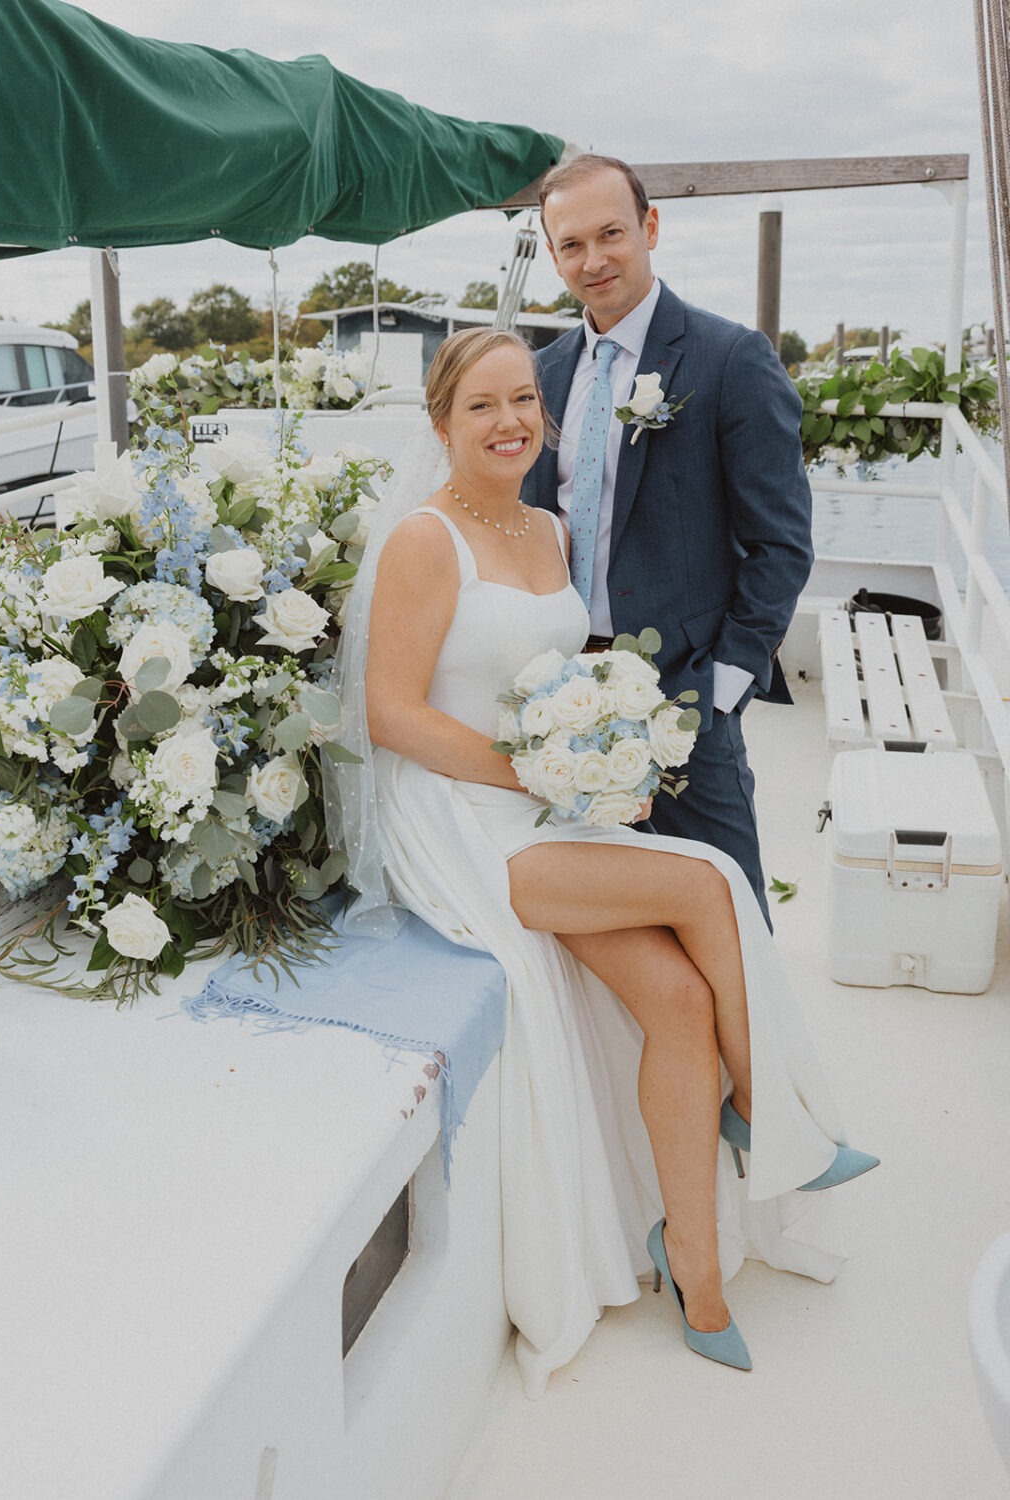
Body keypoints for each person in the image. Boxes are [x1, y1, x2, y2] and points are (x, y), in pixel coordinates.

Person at [332, 326, 876, 1399]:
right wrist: (535, 777)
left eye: (524, 399)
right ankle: (769, 1111)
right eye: (481, 405)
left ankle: (697, 1267)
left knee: (675, 996)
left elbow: (557, 666)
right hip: (458, 817)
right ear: (441, 423)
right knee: (707, 877)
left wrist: (606, 745)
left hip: (541, 799)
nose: (509, 422)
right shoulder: (422, 541)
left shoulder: (543, 528)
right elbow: (392, 717)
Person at [523, 154, 814, 925]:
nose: (594, 260)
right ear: (553, 256)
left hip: (686, 690)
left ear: (650, 227)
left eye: (611, 233)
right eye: (571, 244)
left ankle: (750, 1050)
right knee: (600, 920)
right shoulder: (542, 374)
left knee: (729, 917)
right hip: (557, 694)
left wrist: (721, 686)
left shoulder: (729, 358)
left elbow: (781, 543)